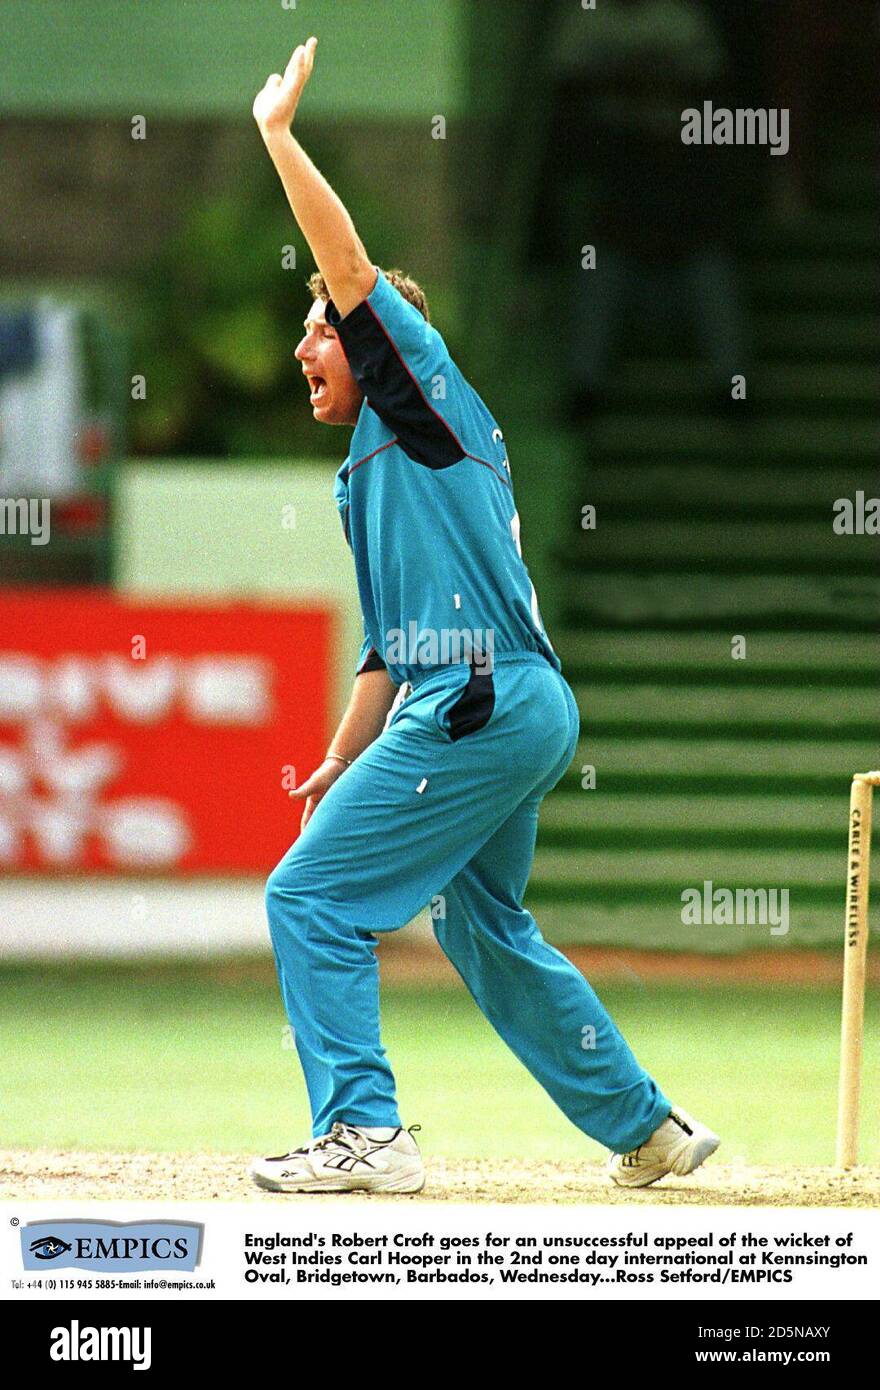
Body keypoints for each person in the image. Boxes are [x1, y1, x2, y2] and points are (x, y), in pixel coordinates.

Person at [249, 38, 718, 1194]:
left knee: (307, 892)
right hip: (504, 703)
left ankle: (365, 1130)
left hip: (480, 695)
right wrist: (338, 756)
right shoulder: (373, 469)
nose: (304, 346)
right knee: (479, 924)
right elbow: (383, 645)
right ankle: (647, 1130)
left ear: (376, 345)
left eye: (318, 332)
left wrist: (279, 137)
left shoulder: (418, 384)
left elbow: (349, 265)